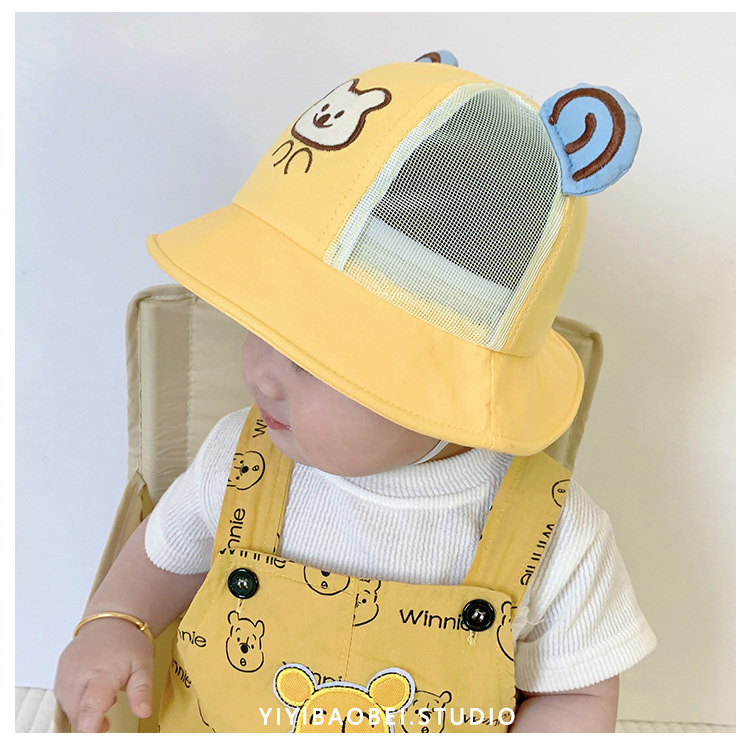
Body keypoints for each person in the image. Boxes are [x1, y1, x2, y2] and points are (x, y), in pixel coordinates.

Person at [54, 51, 656, 733]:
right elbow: (164, 555)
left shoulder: (554, 534)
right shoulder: (237, 460)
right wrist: (115, 622)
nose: (260, 374)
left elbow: (576, 693)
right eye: (261, 328)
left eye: (311, 361)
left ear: (449, 389)